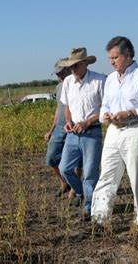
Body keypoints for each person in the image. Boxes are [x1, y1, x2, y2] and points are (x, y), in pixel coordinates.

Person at [91, 36, 138, 228]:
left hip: (135, 130)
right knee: (107, 174)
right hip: (114, 132)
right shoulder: (111, 79)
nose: (112, 62)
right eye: (110, 58)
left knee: (137, 177)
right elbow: (105, 104)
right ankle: (99, 219)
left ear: (128, 55)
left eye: (115, 57)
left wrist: (131, 113)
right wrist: (104, 116)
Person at [58, 47, 106, 219]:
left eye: (76, 66)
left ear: (85, 63)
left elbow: (105, 109)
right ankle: (81, 193)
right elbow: (68, 107)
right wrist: (69, 122)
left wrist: (87, 122)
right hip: (72, 134)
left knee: (90, 173)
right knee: (65, 169)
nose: (73, 70)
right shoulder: (68, 82)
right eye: (71, 67)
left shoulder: (100, 81)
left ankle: (89, 208)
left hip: (91, 133)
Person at [44, 58, 82, 198]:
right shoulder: (59, 87)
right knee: (51, 158)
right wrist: (51, 130)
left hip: (74, 127)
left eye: (61, 72)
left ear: (69, 69)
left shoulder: (78, 83)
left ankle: (74, 189)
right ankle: (64, 183)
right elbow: (58, 109)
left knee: (77, 161)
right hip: (60, 128)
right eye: (57, 74)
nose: (59, 76)